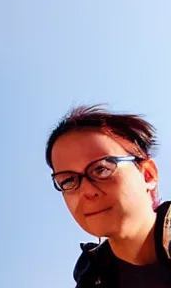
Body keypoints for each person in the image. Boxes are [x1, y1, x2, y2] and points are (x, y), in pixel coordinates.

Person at [45, 105, 171, 287]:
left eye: (101, 169)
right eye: (68, 181)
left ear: (147, 175)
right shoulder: (90, 278)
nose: (87, 191)